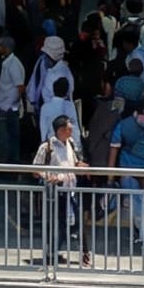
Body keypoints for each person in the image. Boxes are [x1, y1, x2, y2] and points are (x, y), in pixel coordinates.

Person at [30, 111, 89, 267]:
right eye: (69, 128)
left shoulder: (71, 144)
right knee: (59, 224)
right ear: (61, 130)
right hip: (56, 191)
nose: (71, 131)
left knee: (78, 222)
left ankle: (84, 252)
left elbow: (74, 163)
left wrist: (82, 167)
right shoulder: (47, 147)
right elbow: (36, 169)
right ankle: (52, 253)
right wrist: (48, 176)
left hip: (71, 189)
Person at [109, 98, 144, 252]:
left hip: (129, 170)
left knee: (136, 203)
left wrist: (110, 175)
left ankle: (141, 235)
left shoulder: (124, 124)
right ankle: (143, 233)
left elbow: (114, 147)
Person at [0, 33, 28, 165]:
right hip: (4, 106)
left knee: (11, 140)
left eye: (0, 46)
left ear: (6, 48)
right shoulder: (7, 62)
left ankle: (12, 167)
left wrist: (12, 105)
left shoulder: (14, 64)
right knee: (5, 140)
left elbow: (20, 87)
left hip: (10, 108)